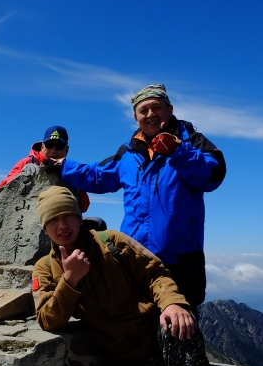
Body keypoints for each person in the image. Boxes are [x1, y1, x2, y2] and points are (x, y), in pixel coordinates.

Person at [31, 186, 237, 366]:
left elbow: (156, 272)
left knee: (179, 328)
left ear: (79, 216)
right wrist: (70, 279)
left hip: (154, 333)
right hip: (128, 360)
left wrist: (172, 303)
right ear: (45, 226)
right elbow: (48, 319)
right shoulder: (44, 268)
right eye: (54, 219)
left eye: (68, 216)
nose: (62, 225)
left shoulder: (112, 242)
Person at [53, 84, 226, 318]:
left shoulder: (190, 142)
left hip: (179, 262)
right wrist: (63, 167)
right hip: (134, 257)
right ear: (136, 117)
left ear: (170, 110)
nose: (150, 114)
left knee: (180, 329)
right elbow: (98, 175)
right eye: (143, 110)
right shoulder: (129, 152)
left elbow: (213, 175)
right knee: (137, 323)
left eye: (157, 107)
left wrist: (176, 151)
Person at [0, 126, 90, 213]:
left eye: (59, 146)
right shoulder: (26, 162)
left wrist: (75, 184)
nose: (53, 150)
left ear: (66, 149)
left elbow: (84, 206)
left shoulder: (70, 170)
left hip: (59, 224)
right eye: (49, 145)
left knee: (97, 223)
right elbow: (6, 186)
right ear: (42, 146)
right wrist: (20, 174)